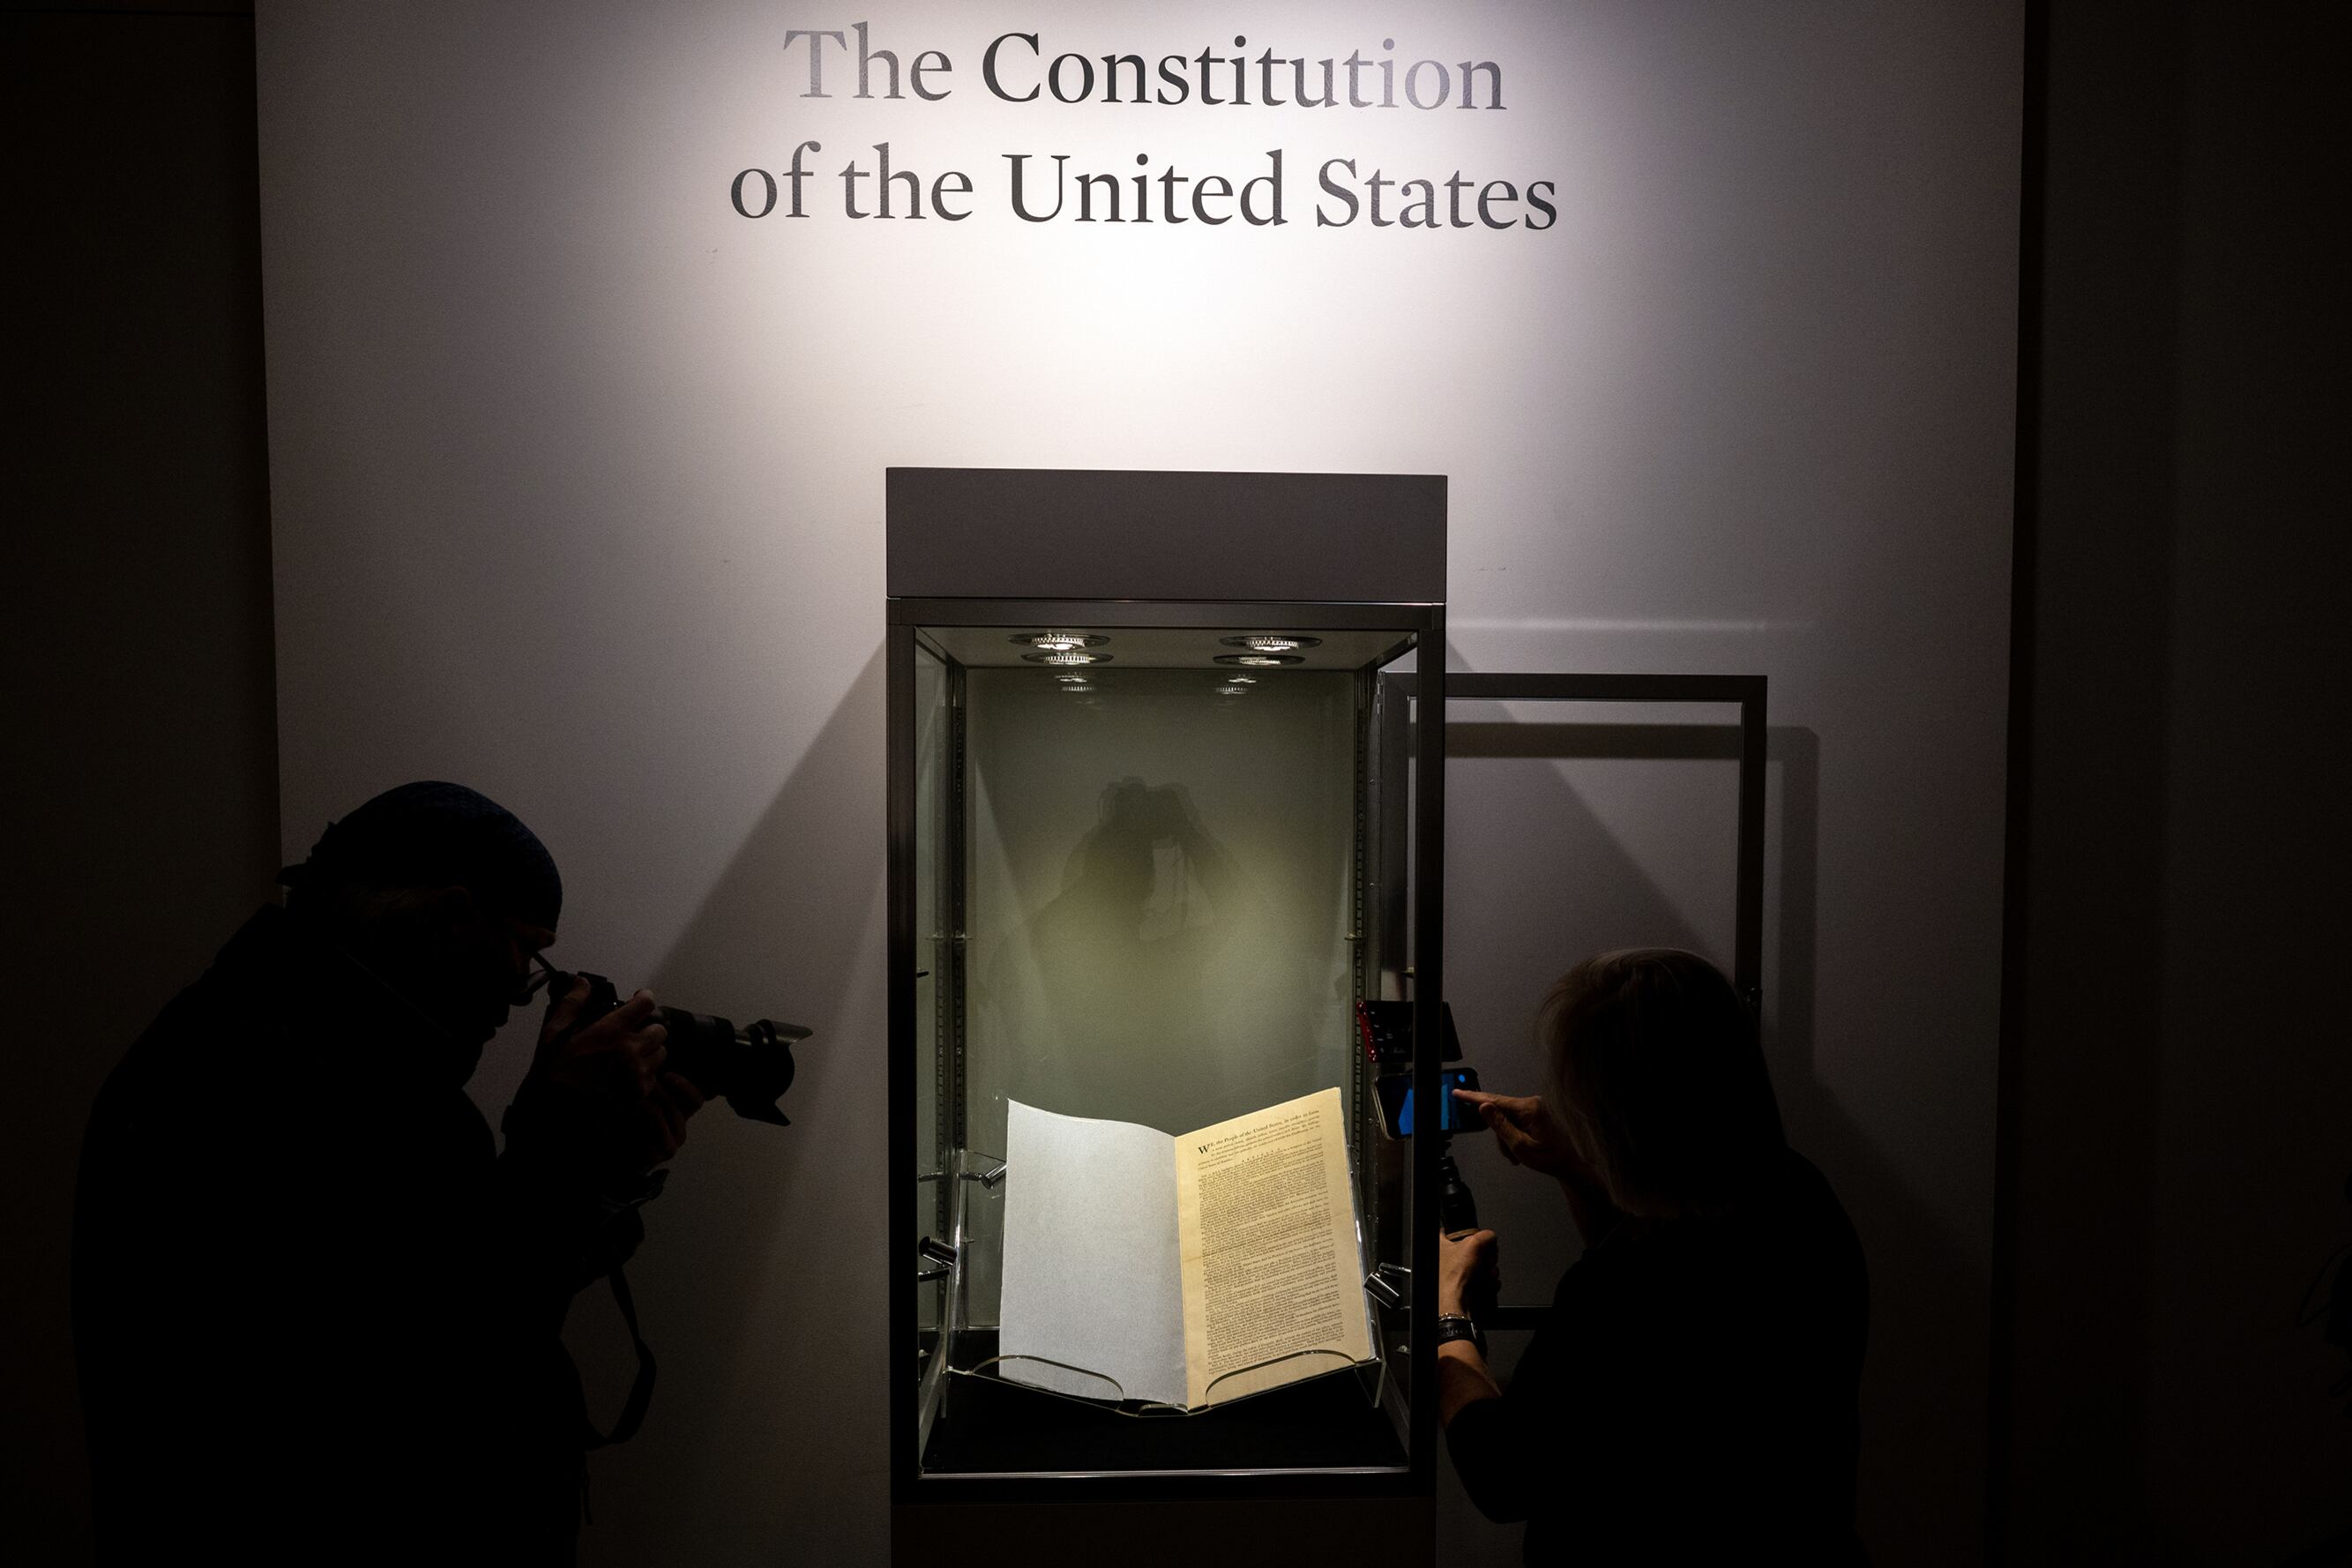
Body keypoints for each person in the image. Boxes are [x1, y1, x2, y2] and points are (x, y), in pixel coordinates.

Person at [72, 781, 704, 1564]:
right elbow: (426, 1369)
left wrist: (601, 1168)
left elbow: (472, 1272)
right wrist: (553, 1147)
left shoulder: (330, 1060)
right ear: (447, 917)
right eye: (524, 951)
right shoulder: (258, 1083)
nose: (520, 993)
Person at [1436, 948, 1869, 1564]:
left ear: (1614, 1117)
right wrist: (1578, 1170)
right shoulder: (1798, 1194)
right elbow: (1658, 1326)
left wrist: (1446, 1317)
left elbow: (1503, 1477)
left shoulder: (1619, 1289)